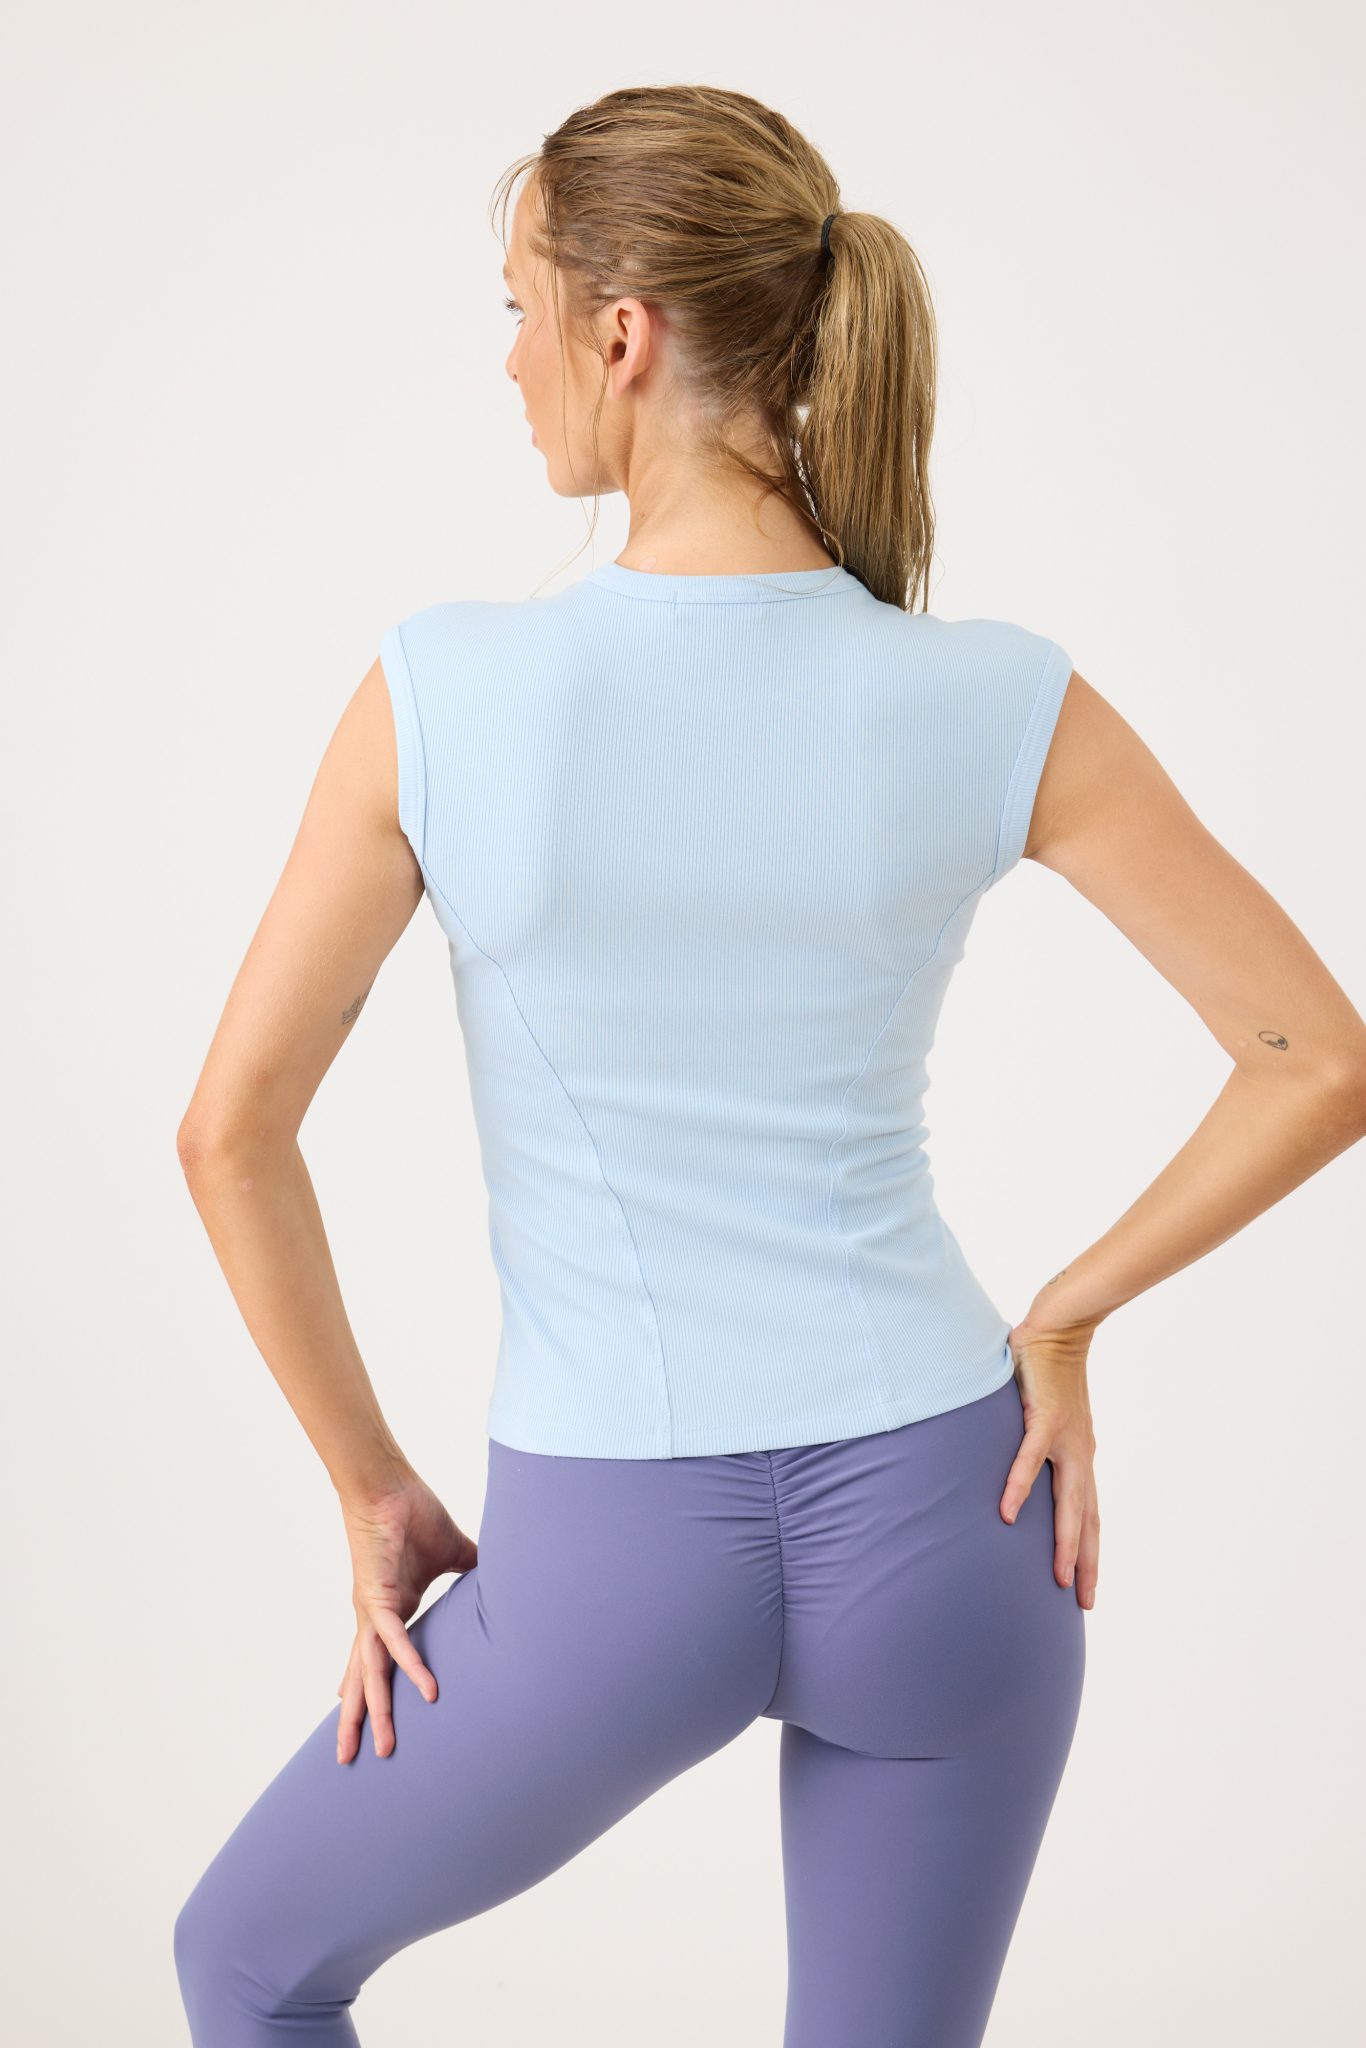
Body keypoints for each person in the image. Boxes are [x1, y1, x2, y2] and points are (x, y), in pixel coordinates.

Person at [171, 83, 1366, 2048]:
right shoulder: (993, 696)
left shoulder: (440, 695)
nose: (508, 361)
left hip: (608, 1566)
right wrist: (1059, 1321)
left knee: (248, 1963)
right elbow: (1313, 1058)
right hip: (959, 1528)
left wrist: (370, 1484)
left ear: (620, 333)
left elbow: (231, 1136)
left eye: (519, 310)